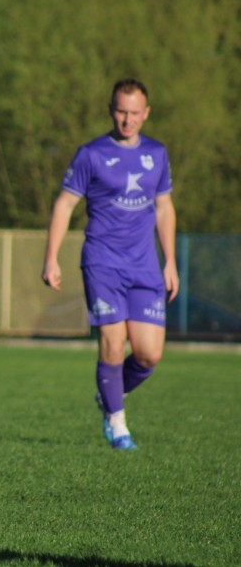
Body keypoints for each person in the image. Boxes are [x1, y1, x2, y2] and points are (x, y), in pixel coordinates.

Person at [42, 78, 178, 450]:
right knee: (113, 343)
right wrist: (51, 258)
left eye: (134, 112)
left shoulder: (157, 153)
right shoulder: (91, 154)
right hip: (102, 262)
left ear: (146, 113)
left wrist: (170, 261)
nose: (127, 119)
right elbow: (65, 204)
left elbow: (164, 208)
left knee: (149, 354)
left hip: (145, 266)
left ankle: (109, 394)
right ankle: (117, 424)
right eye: (121, 111)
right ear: (110, 110)